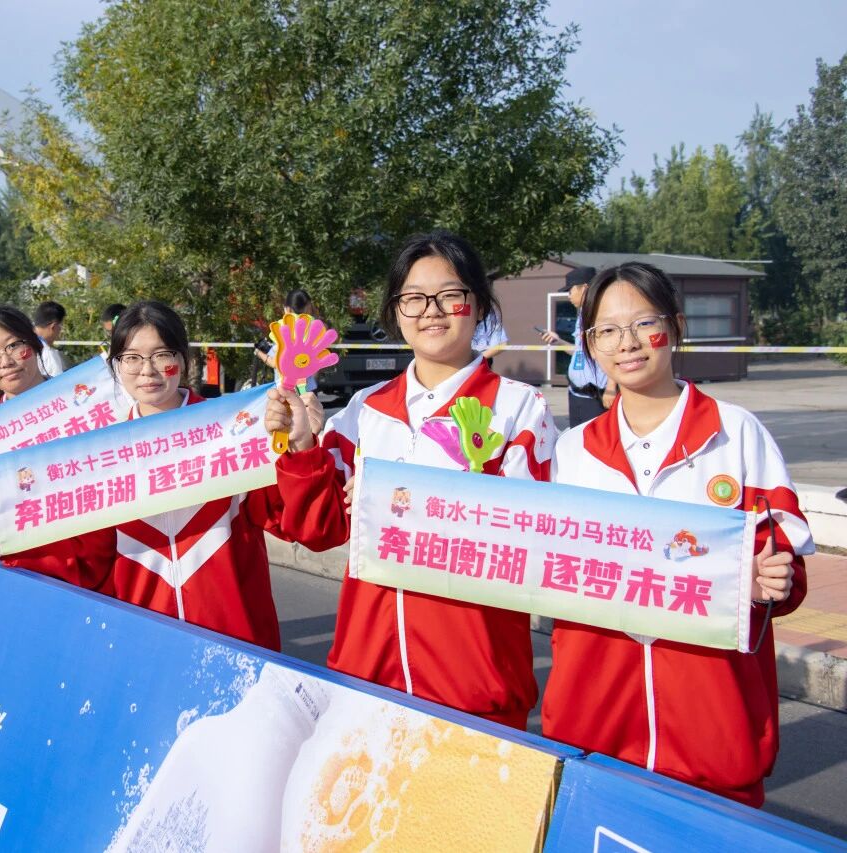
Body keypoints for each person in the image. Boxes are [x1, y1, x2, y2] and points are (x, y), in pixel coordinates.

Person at [541, 261, 813, 807]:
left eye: (644, 323)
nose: (627, 343)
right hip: (594, 726)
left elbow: (784, 563)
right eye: (607, 330)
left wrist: (770, 580)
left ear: (676, 326)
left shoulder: (734, 434)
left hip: (713, 731)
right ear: (590, 344)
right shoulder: (573, 451)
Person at [264, 230, 556, 728]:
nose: (431, 312)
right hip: (365, 680)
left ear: (478, 305)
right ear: (396, 311)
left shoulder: (520, 408)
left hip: (472, 688)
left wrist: (414, 502)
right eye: (414, 298)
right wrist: (304, 446)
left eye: (450, 296)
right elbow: (319, 528)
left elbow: (530, 544)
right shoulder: (366, 409)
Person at [0, 301, 312, 649]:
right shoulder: (101, 452)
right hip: (143, 646)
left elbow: (306, 527)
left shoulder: (235, 429)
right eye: (131, 358)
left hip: (239, 641)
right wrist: (6, 543)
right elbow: (89, 560)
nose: (147, 370)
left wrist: (301, 450)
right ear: (116, 365)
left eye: (162, 355)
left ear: (183, 359)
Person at [540, 266, 617, 427]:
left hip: (595, 397)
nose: (568, 295)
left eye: (571, 290)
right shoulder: (583, 315)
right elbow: (579, 352)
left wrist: (611, 387)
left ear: (585, 288)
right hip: (576, 393)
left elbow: (613, 351)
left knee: (594, 438)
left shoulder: (601, 315)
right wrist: (558, 341)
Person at [259, 289, 321, 393]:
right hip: (307, 387)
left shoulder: (282, 328)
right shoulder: (314, 326)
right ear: (308, 306)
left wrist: (259, 353)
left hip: (285, 388)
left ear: (287, 309)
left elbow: (275, 363)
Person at [33, 301, 68, 377]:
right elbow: (59, 382)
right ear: (54, 326)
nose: (60, 330)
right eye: (61, 326)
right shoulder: (48, 355)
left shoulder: (20, 342)